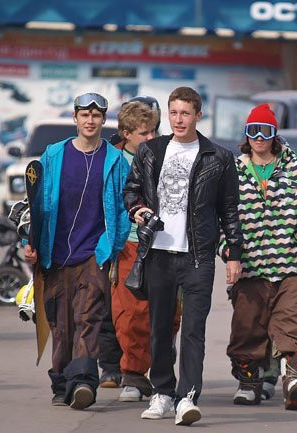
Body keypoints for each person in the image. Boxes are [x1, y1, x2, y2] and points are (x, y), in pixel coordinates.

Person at [123, 86, 242, 425]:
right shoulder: (150, 151)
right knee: (159, 327)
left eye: (185, 113)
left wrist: (234, 255)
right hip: (158, 253)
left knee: (193, 330)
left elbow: (229, 210)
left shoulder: (219, 158)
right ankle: (161, 393)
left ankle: (187, 397)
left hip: (198, 256)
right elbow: (131, 190)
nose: (179, 119)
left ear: (198, 116)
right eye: (173, 113)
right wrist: (137, 210)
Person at [23, 92, 130, 409]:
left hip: (93, 254)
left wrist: (110, 246)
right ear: (75, 118)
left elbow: (123, 209)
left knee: (88, 318)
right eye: (85, 115)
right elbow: (36, 203)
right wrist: (31, 242)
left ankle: (83, 381)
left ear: (103, 120)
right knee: (61, 324)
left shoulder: (115, 160)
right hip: (54, 255)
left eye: (96, 115)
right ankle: (61, 382)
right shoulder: (53, 155)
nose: (90, 120)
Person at [224, 103, 297, 410]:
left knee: (294, 326)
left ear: (274, 134)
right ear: (246, 134)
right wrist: (227, 251)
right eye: (253, 130)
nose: (259, 137)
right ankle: (249, 382)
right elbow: (221, 218)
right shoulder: (232, 170)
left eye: (265, 131)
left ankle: (295, 380)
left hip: (292, 265)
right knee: (246, 329)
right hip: (249, 267)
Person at [109, 99, 182, 402]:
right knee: (131, 314)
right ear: (126, 134)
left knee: (169, 313)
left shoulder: (166, 155)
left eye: (153, 131)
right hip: (129, 244)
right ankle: (134, 374)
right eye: (144, 133)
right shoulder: (113, 162)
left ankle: (161, 369)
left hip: (167, 243)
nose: (151, 138)